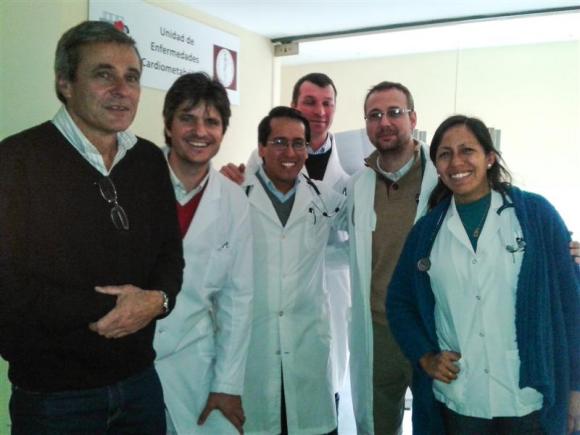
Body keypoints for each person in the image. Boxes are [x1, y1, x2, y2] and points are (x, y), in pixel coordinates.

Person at [0, 21, 184, 433]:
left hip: (140, 385)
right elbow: (8, 287)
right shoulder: (16, 161)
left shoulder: (149, 161)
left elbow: (170, 253)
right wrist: (116, 308)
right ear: (65, 83)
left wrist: (160, 300)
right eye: (104, 75)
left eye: (131, 77)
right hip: (55, 398)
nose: (122, 89)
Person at [387, 114, 580, 435]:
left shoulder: (535, 215)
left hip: (528, 394)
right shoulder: (427, 232)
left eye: (467, 150)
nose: (456, 162)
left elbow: (572, 304)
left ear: (489, 157)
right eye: (445, 154)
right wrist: (425, 356)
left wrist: (576, 386)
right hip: (462, 397)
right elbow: (399, 302)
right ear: (437, 167)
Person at [221, 73, 351, 411]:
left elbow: (365, 232)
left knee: (317, 402)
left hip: (317, 309)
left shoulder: (336, 185)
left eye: (327, 103)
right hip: (258, 323)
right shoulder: (239, 187)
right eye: (310, 102)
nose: (320, 111)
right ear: (263, 148)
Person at [153, 72, 253, 435]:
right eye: (188, 118)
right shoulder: (135, 180)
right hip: (125, 360)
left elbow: (237, 299)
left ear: (222, 132)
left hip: (194, 360)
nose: (200, 131)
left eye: (211, 122)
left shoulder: (233, 200)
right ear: (168, 125)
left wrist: (227, 383)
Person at [241, 106, 346, 435]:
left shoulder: (323, 196)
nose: (290, 152)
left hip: (307, 347)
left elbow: (362, 236)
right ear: (262, 148)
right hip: (253, 349)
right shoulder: (235, 195)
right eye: (279, 142)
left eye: (298, 143)